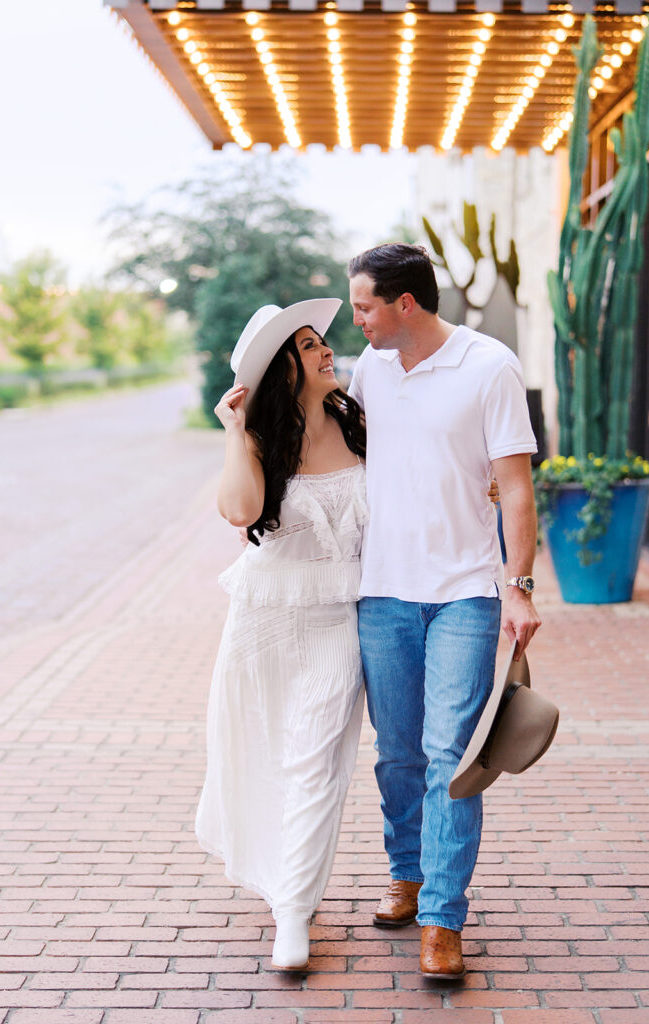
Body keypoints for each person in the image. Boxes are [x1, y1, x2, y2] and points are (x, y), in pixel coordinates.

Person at [346, 243, 541, 980]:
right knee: (395, 753)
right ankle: (408, 872)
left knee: (449, 758)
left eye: (364, 304)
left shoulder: (488, 366)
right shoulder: (369, 370)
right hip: (381, 592)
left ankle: (442, 919)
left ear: (405, 304)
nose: (356, 317)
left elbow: (514, 488)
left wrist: (517, 586)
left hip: (464, 591)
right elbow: (338, 452)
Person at [195, 298, 368, 972]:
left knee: (315, 761)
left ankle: (292, 914)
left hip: (336, 621)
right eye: (308, 345)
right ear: (282, 369)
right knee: (263, 754)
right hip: (264, 619)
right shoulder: (262, 439)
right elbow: (239, 510)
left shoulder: (360, 426)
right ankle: (286, 884)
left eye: (322, 341)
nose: (326, 350)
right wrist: (235, 430)